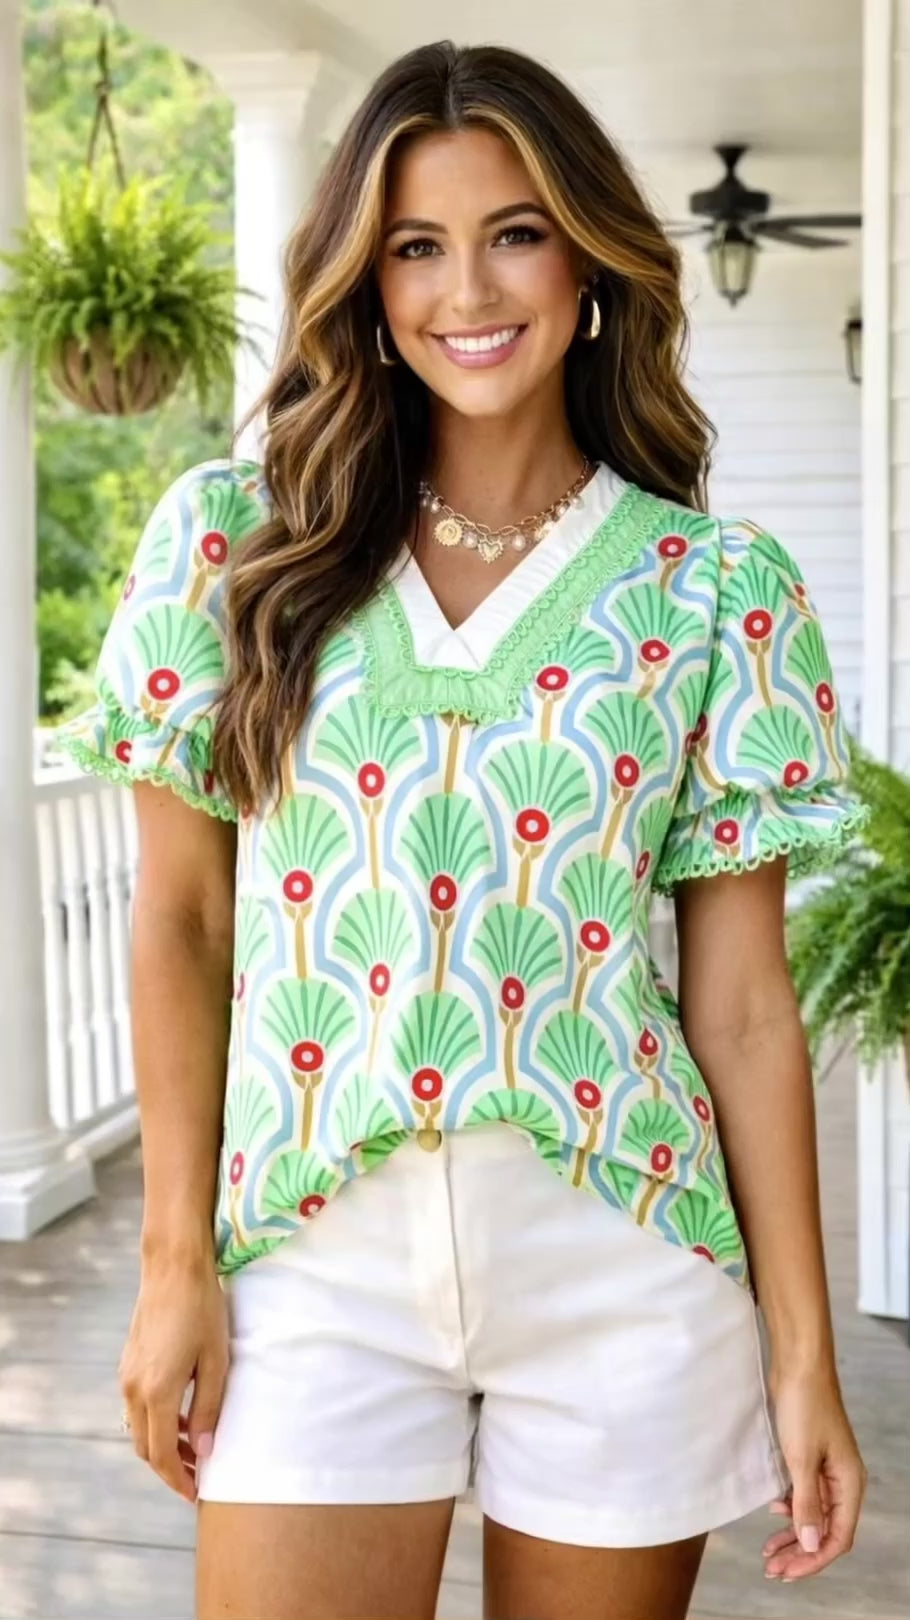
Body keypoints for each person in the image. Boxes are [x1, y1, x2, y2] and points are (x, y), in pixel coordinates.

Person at [56, 38, 871, 1620]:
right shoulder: (234, 546)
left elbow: (745, 1006)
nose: (465, 288)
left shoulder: (713, 589)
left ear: (585, 254)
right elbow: (184, 922)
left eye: (512, 230)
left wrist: (800, 1355)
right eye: (414, 246)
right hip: (308, 1265)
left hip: (625, 1263)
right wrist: (173, 1268)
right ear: (363, 280)